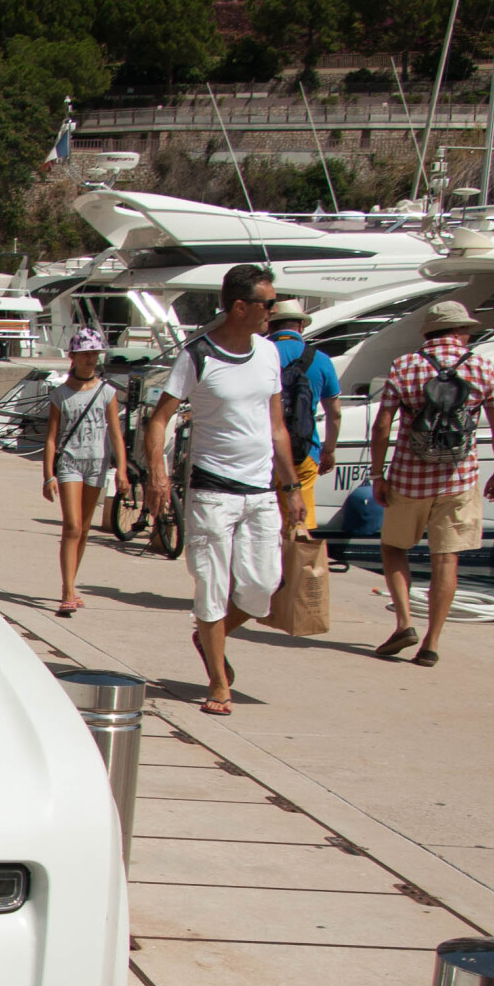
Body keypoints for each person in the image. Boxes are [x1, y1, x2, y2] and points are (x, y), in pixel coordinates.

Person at [143, 264, 300, 717]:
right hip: (213, 491)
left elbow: (277, 427)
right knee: (211, 588)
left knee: (261, 588)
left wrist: (290, 488)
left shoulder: (269, 354)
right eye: (268, 304)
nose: (274, 310)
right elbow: (159, 419)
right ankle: (217, 680)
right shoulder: (197, 356)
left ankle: (209, 636)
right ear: (240, 307)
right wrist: (158, 472)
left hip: (260, 491)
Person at [368, 300, 494, 666]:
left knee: (393, 548)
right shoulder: (480, 366)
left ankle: (404, 622)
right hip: (459, 479)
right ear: (459, 331)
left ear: (428, 333)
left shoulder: (405, 365)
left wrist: (378, 474)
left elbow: (382, 425)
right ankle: (431, 642)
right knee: (445, 559)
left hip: (408, 478)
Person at [40, 327, 127, 617]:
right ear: (72, 357)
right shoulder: (61, 395)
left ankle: (72, 586)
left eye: (94, 353)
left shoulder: (107, 392)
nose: (91, 358)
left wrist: (122, 470)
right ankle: (66, 592)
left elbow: (116, 434)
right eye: (85, 353)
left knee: (85, 528)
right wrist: (48, 474)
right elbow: (51, 437)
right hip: (70, 463)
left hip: (97, 463)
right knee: (72, 526)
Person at [267, 299, 343, 535]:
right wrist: (328, 450)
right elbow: (335, 413)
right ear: (301, 325)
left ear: (270, 326)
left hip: (262, 450)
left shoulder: (258, 354)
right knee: (298, 521)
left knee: (264, 523)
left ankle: (267, 570)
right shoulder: (320, 359)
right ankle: (294, 570)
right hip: (304, 451)